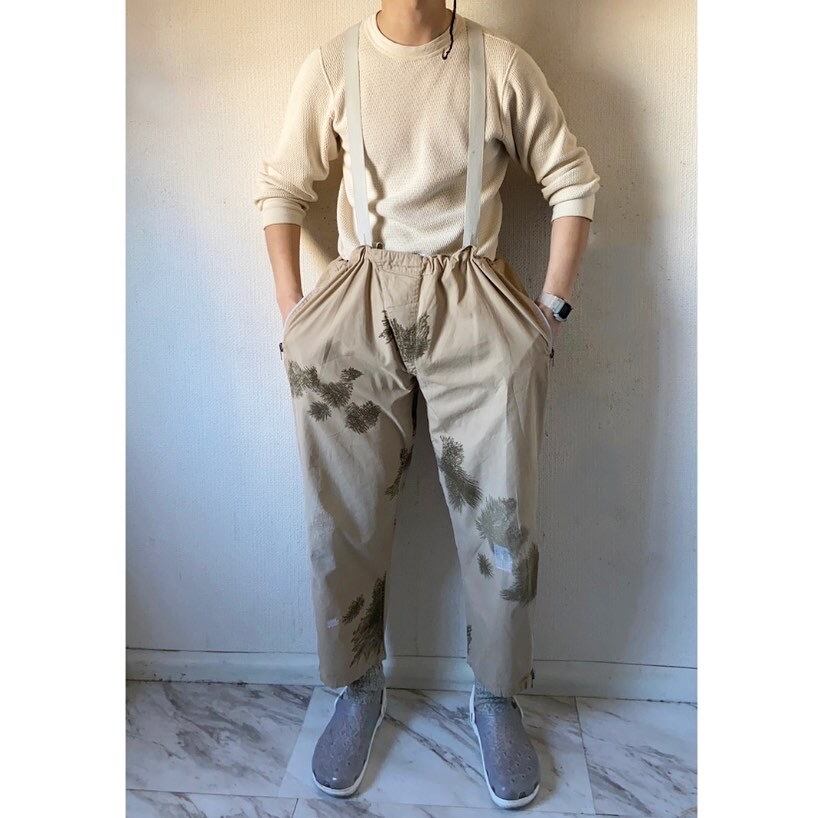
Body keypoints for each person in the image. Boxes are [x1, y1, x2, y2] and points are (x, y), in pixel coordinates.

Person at [254, 0, 599, 808]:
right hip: (356, 297)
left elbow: (572, 181)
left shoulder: (499, 64)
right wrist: (296, 315)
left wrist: (548, 314)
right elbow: (281, 189)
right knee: (342, 514)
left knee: (500, 517)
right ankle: (356, 685)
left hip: (473, 294)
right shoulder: (334, 65)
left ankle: (497, 696)